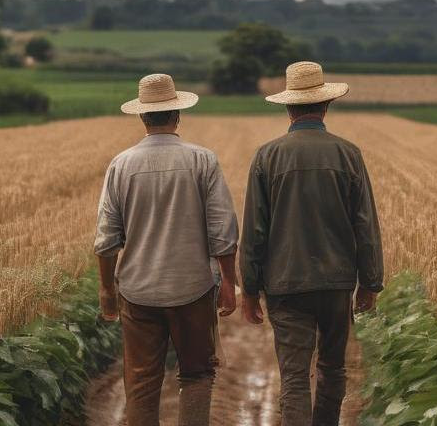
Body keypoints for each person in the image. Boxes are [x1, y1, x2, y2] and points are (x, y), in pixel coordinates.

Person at [240, 61, 384, 426]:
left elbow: (255, 229)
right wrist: (370, 282)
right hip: (336, 284)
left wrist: (250, 288)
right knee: (332, 369)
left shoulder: (267, 156)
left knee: (293, 376)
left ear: (288, 107)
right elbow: (365, 224)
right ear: (325, 105)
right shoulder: (347, 154)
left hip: (285, 283)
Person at [94, 72, 239, 426]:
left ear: (142, 116)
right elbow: (223, 232)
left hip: (138, 291)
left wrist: (107, 291)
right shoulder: (203, 160)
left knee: (142, 381)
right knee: (197, 374)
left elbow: (106, 240)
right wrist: (229, 283)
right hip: (193, 289)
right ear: (177, 115)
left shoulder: (122, 164)